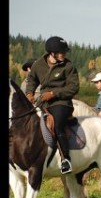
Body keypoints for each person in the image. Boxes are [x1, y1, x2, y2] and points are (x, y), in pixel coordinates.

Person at [26, 36, 79, 174]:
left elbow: (73, 88)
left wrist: (54, 93)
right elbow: (31, 79)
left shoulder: (68, 66)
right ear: (52, 53)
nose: (64, 54)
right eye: (62, 52)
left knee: (57, 125)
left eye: (65, 52)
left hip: (62, 103)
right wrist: (29, 93)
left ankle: (65, 160)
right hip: (43, 102)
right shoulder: (38, 64)